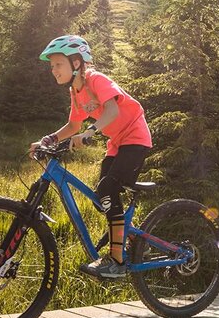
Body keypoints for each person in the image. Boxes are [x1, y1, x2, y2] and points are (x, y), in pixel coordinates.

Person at [29, 34, 153, 279]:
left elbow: (112, 109)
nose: (53, 70)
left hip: (135, 138)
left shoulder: (96, 79)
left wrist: (91, 131)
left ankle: (116, 260)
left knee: (108, 190)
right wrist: (49, 139)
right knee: (101, 198)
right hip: (117, 143)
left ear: (76, 63)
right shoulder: (76, 92)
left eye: (58, 64)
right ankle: (129, 238)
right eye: (52, 66)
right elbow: (73, 126)